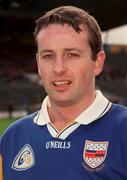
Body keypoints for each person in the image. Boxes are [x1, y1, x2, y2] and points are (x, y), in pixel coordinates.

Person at [0, 5, 127, 180]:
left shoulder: (123, 129)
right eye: (48, 56)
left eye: (72, 55)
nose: (58, 68)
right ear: (38, 63)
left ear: (97, 62)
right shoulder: (12, 137)